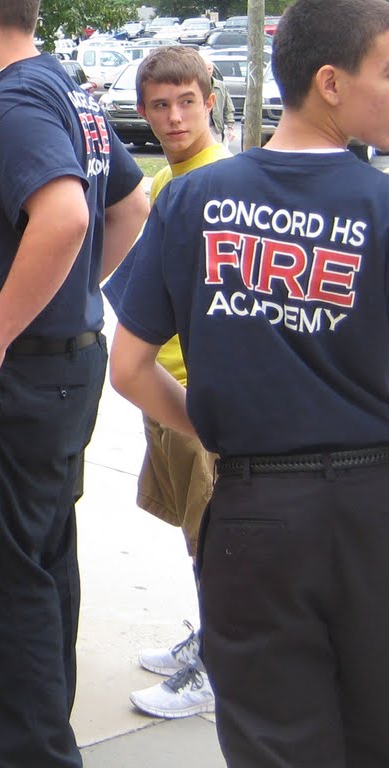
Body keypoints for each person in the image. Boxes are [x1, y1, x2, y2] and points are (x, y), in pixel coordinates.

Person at [106, 0, 389, 768]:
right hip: (377, 513)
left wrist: (216, 422)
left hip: (252, 512)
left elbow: (128, 367)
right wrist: (371, 406)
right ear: (330, 82)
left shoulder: (193, 202)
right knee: (386, 739)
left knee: (273, 744)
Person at [0, 0, 148, 768]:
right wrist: (62, 302)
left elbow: (63, 219)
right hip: (63, 369)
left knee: (1, 575)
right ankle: (28, 731)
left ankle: (33, 752)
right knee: (43, 553)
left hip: (13, 383)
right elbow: (129, 206)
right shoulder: (73, 95)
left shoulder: (12, 103)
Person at [123, 45, 228, 720]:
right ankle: (211, 639)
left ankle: (219, 667)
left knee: (217, 538)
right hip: (164, 382)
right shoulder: (168, 181)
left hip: (200, 396)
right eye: (160, 105)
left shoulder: (219, 179)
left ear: (209, 102)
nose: (174, 116)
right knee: (196, 535)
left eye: (187, 101)